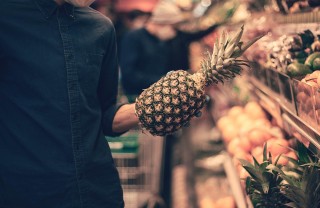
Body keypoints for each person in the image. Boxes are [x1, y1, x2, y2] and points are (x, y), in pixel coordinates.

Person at [0, 0, 139, 207]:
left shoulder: (101, 28)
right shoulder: (7, 18)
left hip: (98, 192)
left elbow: (104, 114)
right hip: (27, 192)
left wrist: (145, 110)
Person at [119, 1, 225, 101]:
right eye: (173, 27)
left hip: (161, 96)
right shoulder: (133, 38)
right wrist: (163, 81)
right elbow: (129, 74)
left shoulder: (163, 39)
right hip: (137, 98)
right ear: (161, 23)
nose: (175, 32)